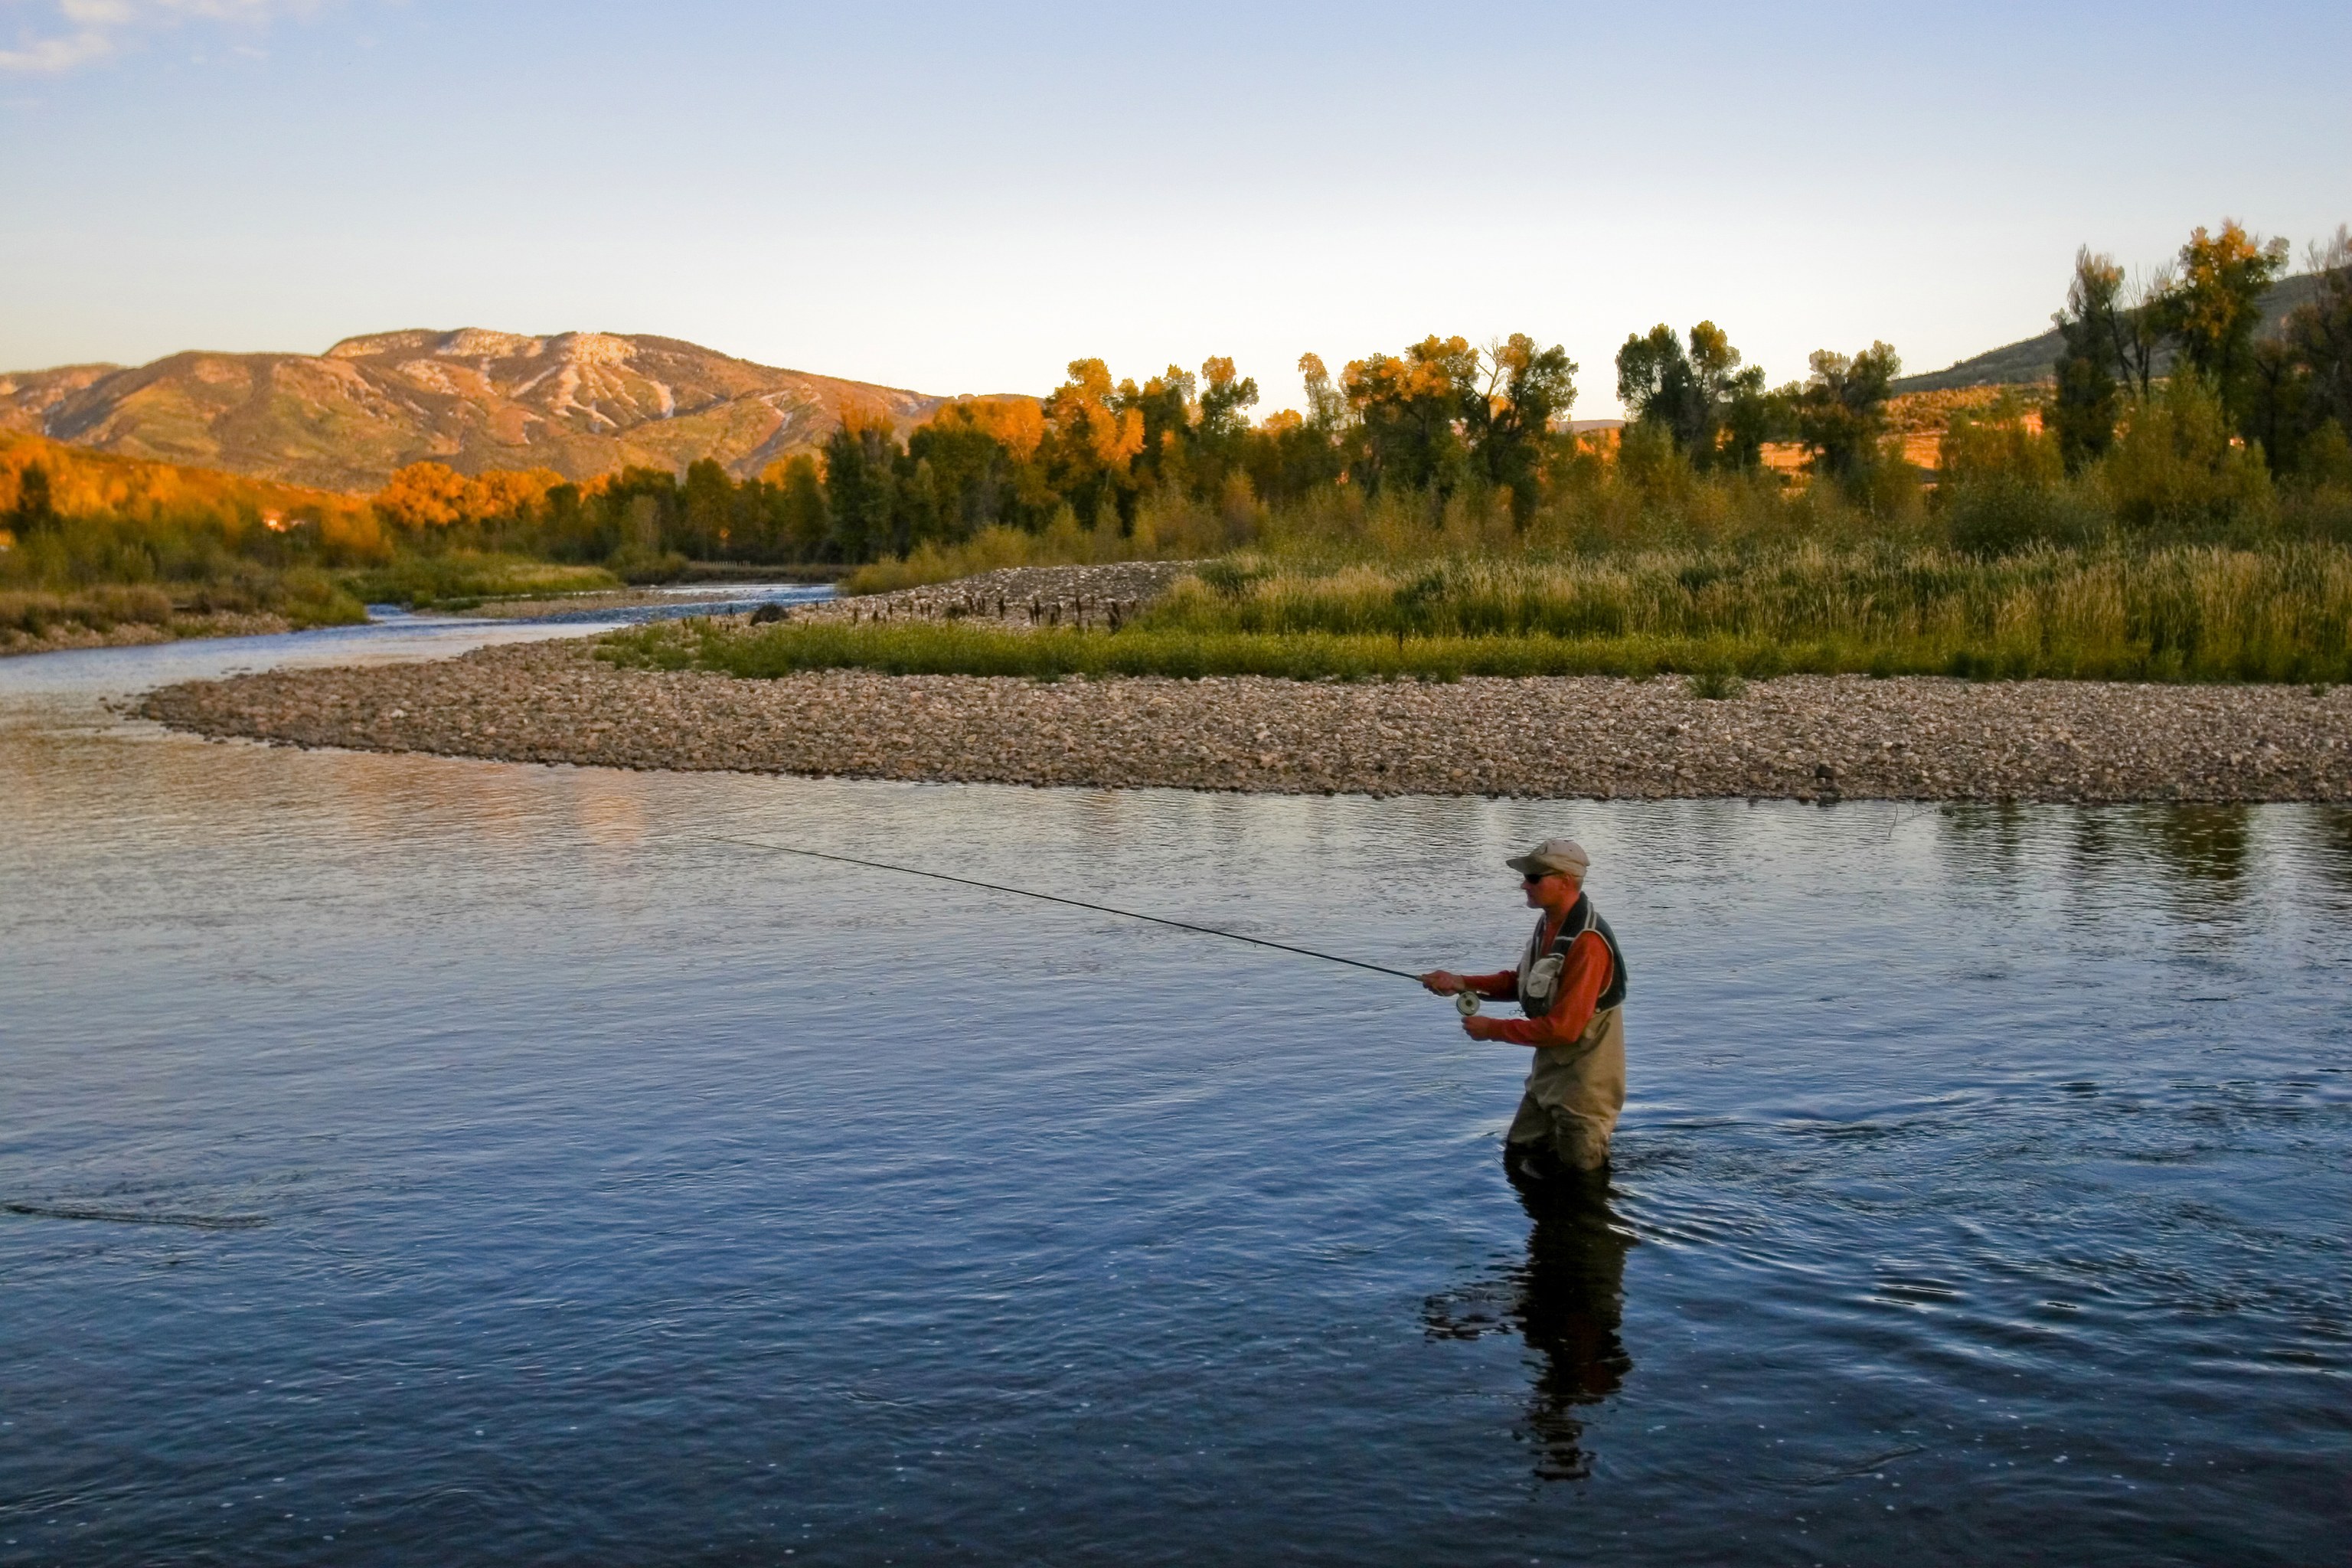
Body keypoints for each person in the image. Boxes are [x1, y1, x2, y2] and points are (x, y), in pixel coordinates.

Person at [1419, 838, 1628, 1178]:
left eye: (1533, 877)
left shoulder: (1588, 943)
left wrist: (1493, 1030)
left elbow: (1565, 1028)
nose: (1523, 884)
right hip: (1550, 1074)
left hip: (1585, 1085)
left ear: (1565, 881)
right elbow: (1522, 982)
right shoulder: (1551, 923)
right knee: (1518, 1153)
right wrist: (1459, 981)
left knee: (1583, 1182)